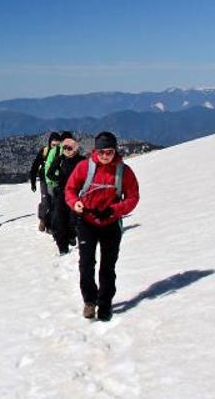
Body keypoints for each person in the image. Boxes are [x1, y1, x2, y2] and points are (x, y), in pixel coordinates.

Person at [65, 131, 140, 321]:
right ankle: (90, 301)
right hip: (87, 223)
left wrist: (114, 210)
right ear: (95, 151)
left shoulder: (124, 171)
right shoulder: (85, 167)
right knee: (86, 264)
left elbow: (133, 197)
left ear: (115, 151)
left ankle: (105, 304)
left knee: (108, 266)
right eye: (101, 152)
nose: (105, 156)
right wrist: (76, 203)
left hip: (111, 224)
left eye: (109, 151)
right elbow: (70, 189)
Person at [46, 135, 86, 255]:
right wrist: (59, 179)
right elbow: (49, 173)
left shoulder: (82, 160)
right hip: (62, 192)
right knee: (59, 219)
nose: (66, 150)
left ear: (75, 149)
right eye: (64, 148)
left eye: (69, 148)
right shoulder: (60, 159)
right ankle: (62, 247)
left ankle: (72, 236)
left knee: (73, 219)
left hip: (77, 193)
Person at [30, 132, 61, 232]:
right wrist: (33, 182)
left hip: (55, 180)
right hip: (44, 180)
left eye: (57, 145)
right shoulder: (44, 151)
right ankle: (43, 219)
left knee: (54, 202)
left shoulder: (61, 153)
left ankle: (50, 224)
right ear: (49, 143)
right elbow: (35, 166)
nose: (55, 147)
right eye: (53, 145)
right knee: (45, 201)